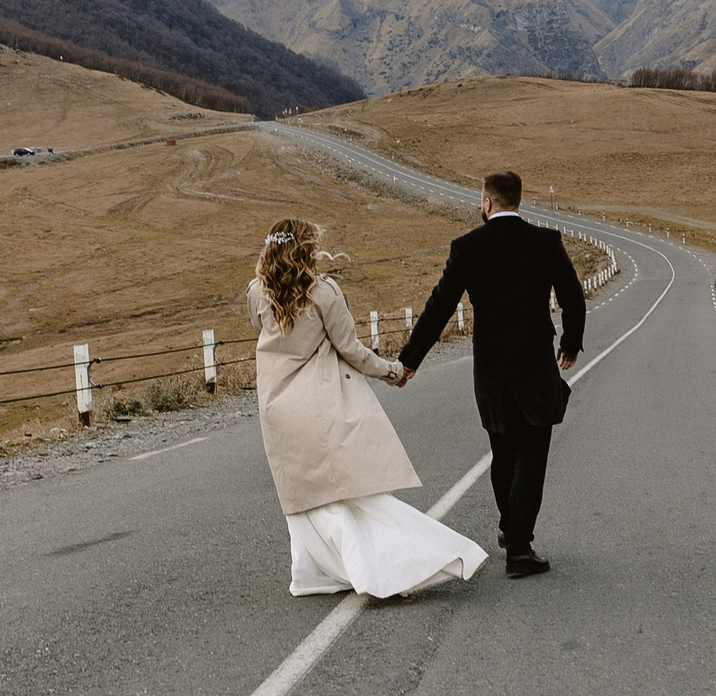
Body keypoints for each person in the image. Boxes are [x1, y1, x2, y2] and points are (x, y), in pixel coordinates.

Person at [247, 219, 485, 598]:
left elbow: (263, 333)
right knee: (345, 495)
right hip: (318, 405)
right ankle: (385, 565)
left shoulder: (256, 292)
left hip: (277, 408)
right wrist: (393, 371)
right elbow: (351, 350)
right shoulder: (323, 292)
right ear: (307, 248)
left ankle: (316, 572)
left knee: (303, 495)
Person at [400, 171, 585, 578]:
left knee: (503, 452)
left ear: (487, 203)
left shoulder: (467, 248)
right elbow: (573, 294)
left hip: (491, 372)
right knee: (532, 454)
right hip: (535, 366)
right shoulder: (545, 242)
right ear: (518, 201)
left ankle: (509, 528)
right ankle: (519, 547)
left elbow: (440, 306)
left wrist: (411, 358)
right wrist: (570, 343)